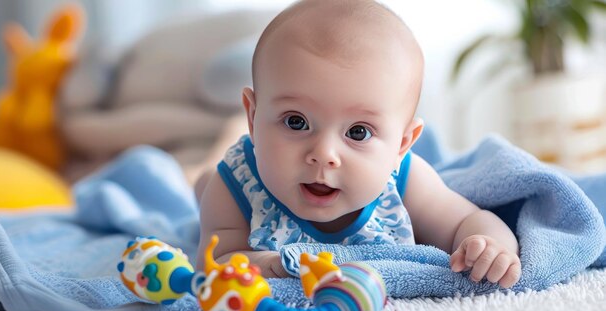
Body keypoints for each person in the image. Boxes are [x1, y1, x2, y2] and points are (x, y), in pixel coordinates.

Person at [194, 0, 521, 288]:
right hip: (228, 179)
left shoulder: (406, 182)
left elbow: (466, 222)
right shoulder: (234, 185)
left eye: (358, 132)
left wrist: (490, 246)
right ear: (253, 118)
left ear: (401, 145)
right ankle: (198, 178)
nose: (323, 154)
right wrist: (268, 265)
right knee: (205, 183)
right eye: (296, 122)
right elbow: (216, 261)